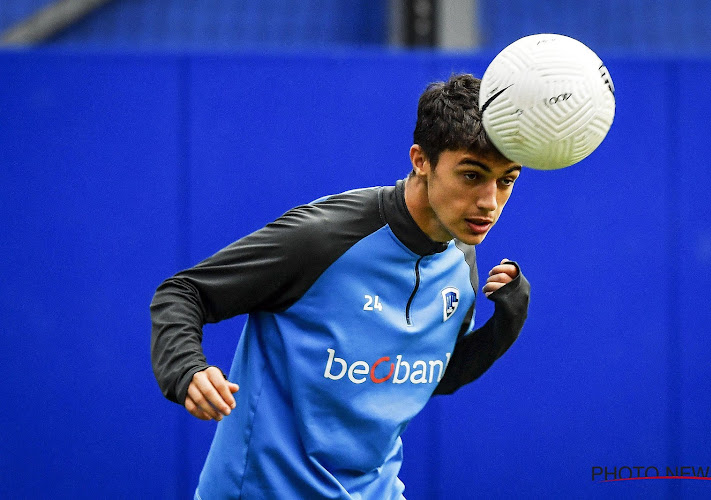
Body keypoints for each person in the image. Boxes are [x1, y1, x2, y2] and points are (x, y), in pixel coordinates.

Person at [151, 73, 530, 499]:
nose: (489, 201)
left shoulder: (462, 257)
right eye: (471, 175)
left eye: (506, 180)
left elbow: (433, 377)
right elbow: (184, 293)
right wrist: (187, 369)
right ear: (421, 160)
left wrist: (505, 325)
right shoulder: (325, 237)